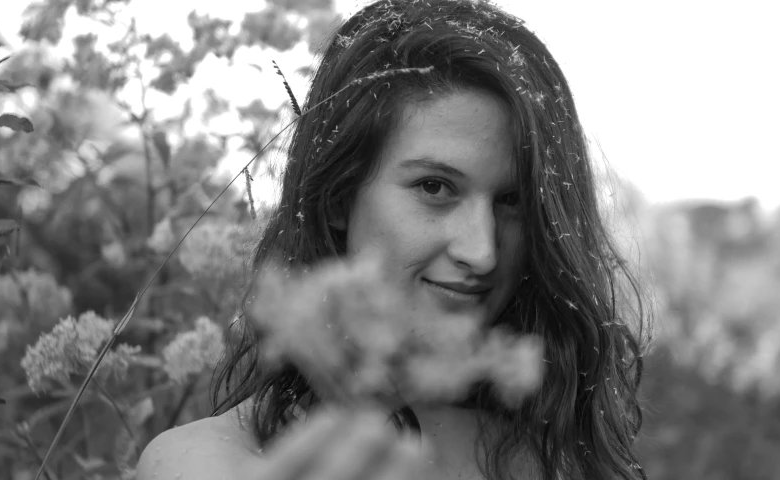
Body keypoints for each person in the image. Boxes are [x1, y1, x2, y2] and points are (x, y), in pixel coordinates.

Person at [137, 0, 651, 479]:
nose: (483, 252)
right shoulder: (210, 463)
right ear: (338, 197)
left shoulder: (556, 456)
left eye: (512, 201)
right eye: (435, 187)